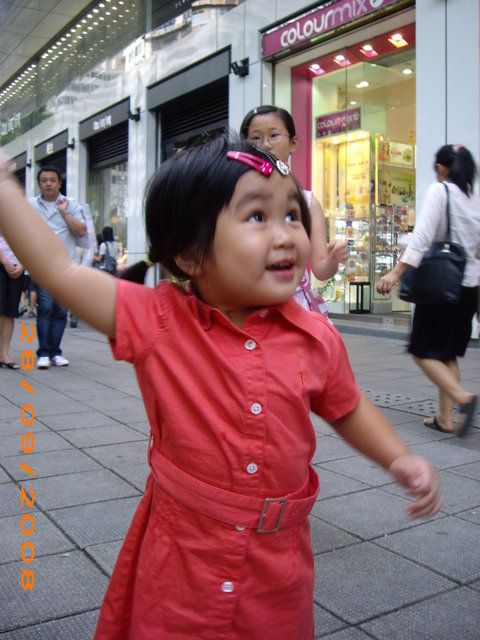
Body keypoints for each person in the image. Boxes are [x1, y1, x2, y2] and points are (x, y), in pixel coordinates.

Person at [0, 137, 441, 639]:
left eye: (292, 215)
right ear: (191, 253)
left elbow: (347, 407)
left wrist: (397, 457)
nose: (286, 235)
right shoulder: (160, 321)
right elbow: (59, 271)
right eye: (257, 217)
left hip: (276, 567)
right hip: (182, 560)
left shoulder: (316, 337)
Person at [377, 144, 480, 436]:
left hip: (440, 287)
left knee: (420, 350)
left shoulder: (441, 191)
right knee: (448, 354)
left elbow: (422, 237)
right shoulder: (474, 198)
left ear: (442, 168)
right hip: (468, 287)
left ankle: (463, 398)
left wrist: (396, 272)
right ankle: (444, 419)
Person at [240, 105, 348, 317]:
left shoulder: (308, 203)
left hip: (294, 309)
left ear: (293, 143)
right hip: (248, 306)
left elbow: (320, 269)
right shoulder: (237, 197)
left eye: (274, 135)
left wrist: (333, 260)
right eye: (256, 138)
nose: (265, 144)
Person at [28, 164, 86, 368]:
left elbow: (81, 230)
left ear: (60, 183)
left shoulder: (71, 204)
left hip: (65, 266)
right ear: (39, 184)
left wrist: (65, 213)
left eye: (52, 180)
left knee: (61, 310)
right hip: (42, 265)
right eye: (44, 181)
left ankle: (55, 352)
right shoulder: (31, 205)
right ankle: (43, 352)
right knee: (45, 307)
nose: (48, 184)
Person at [0, 231, 24, 369]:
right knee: (0, 309)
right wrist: (4, 261)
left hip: (17, 266)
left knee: (10, 312)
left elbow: (28, 243)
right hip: (2, 263)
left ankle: (4, 355)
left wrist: (22, 265)